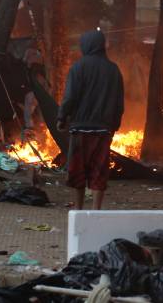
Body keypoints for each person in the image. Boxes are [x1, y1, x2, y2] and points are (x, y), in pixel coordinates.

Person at [56, 30, 124, 210]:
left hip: (80, 129)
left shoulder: (78, 68)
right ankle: (95, 211)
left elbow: (70, 97)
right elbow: (118, 101)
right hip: (103, 131)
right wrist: (115, 124)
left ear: (85, 45)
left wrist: (62, 118)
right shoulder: (113, 70)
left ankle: (78, 209)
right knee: (99, 170)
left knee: (78, 170)